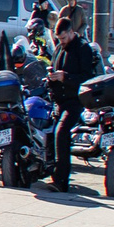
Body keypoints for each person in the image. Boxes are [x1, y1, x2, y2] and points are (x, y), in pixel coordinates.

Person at [46, 18, 101, 193]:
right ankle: (50, 172)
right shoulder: (58, 48)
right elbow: (54, 67)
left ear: (71, 32)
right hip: (59, 100)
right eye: (58, 39)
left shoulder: (83, 48)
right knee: (50, 134)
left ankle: (61, 181)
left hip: (75, 101)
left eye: (63, 38)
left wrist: (66, 77)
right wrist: (51, 77)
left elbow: (87, 78)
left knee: (61, 133)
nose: (61, 42)